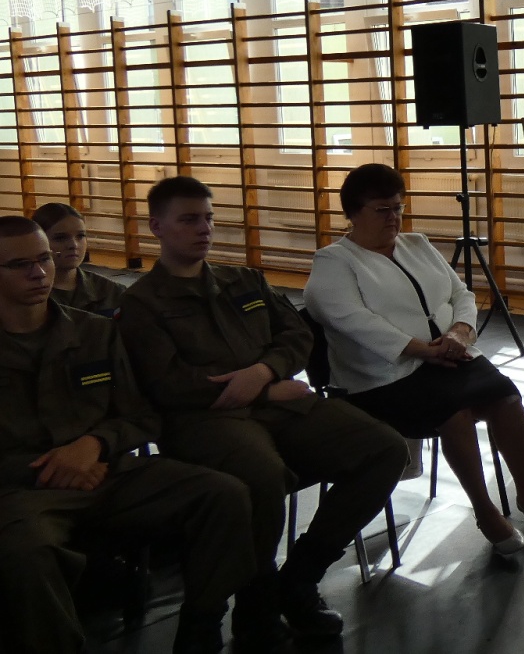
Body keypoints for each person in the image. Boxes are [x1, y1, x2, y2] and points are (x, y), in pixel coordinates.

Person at [117, 176, 408, 649]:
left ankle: (300, 577)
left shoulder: (243, 279)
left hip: (278, 405)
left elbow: (296, 334)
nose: (204, 228)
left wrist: (264, 370)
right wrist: (266, 391)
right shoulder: (142, 303)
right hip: (205, 420)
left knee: (384, 449)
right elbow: (168, 384)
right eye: (188, 220)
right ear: (156, 227)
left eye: (208, 218)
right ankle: (257, 606)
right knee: (262, 477)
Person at [0, 215, 256, 654]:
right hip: (23, 490)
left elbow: (141, 415)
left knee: (223, 494)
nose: (39, 273)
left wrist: (94, 445)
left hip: (109, 471)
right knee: (24, 553)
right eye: (19, 265)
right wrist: (55, 467)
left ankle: (200, 630)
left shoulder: (94, 332)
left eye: (43, 259)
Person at [303, 163, 524, 555]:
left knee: (507, 398)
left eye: (398, 207)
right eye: (382, 210)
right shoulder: (334, 262)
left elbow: (461, 294)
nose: (393, 217)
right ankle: (485, 511)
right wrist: (422, 350)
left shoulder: (417, 244)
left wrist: (460, 332)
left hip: (451, 355)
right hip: (383, 377)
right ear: (353, 213)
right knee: (453, 414)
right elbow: (353, 322)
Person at [31, 203, 127, 317]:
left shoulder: (112, 292)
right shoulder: (28, 296)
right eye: (60, 238)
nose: (74, 245)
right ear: (38, 242)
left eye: (80, 236)